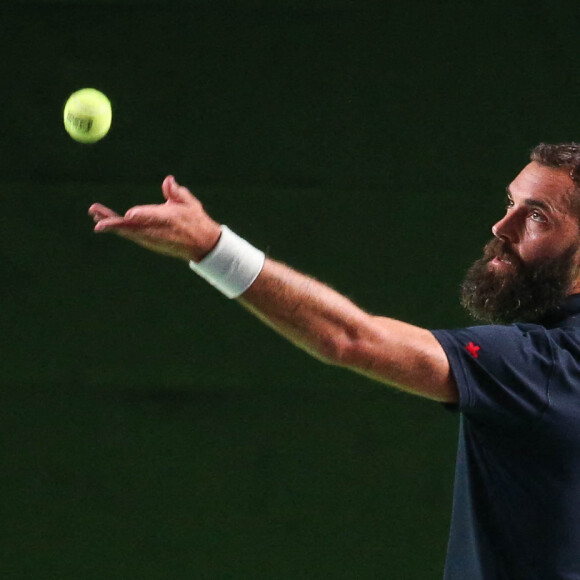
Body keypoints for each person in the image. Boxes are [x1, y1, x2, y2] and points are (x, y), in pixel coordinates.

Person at [89, 143, 580, 579]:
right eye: (510, 204)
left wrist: (211, 247)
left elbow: (351, 338)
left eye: (537, 216)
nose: (502, 226)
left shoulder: (547, 366)